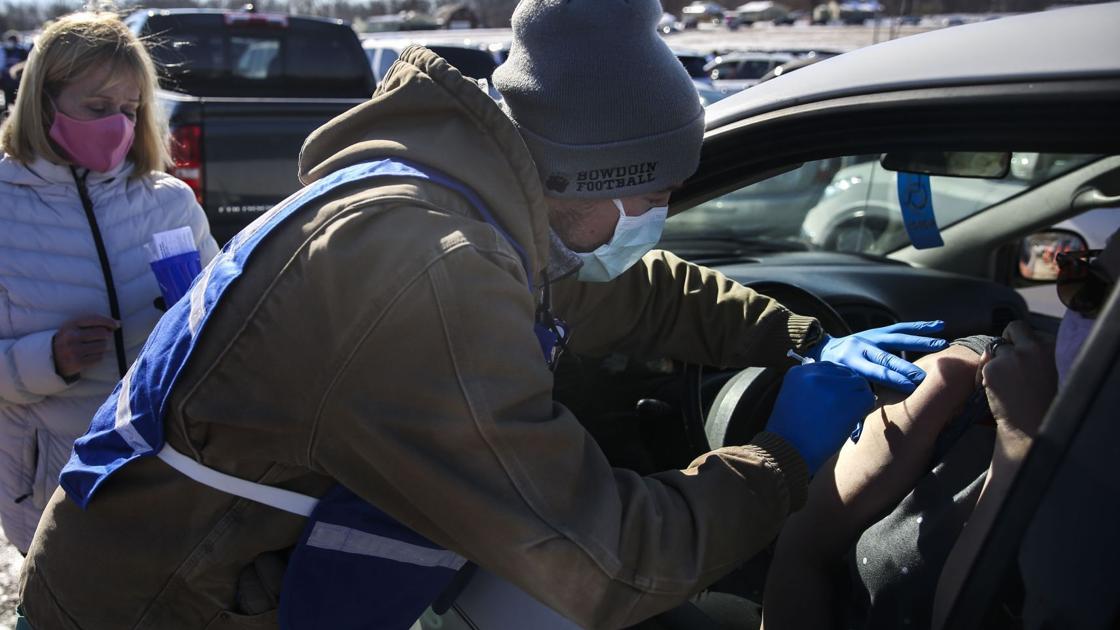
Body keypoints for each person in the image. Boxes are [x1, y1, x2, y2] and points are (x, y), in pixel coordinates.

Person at [19, 2, 942, 629]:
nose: (659, 215)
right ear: (584, 181)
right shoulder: (430, 270)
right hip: (154, 604)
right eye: (657, 191)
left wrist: (807, 340)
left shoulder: (472, 200)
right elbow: (604, 560)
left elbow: (636, 288)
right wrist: (782, 459)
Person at [761, 229, 1120, 630]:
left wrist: (1022, 442)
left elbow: (965, 613)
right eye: (1082, 281)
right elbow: (802, 550)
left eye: (1102, 295)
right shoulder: (983, 374)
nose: (1084, 315)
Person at [0, 12, 217, 555]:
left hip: (165, 471)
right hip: (53, 480)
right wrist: (48, 358)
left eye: (129, 110)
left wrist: (195, 317)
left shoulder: (169, 201)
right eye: (97, 109)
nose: (118, 125)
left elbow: (229, 321)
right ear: (44, 101)